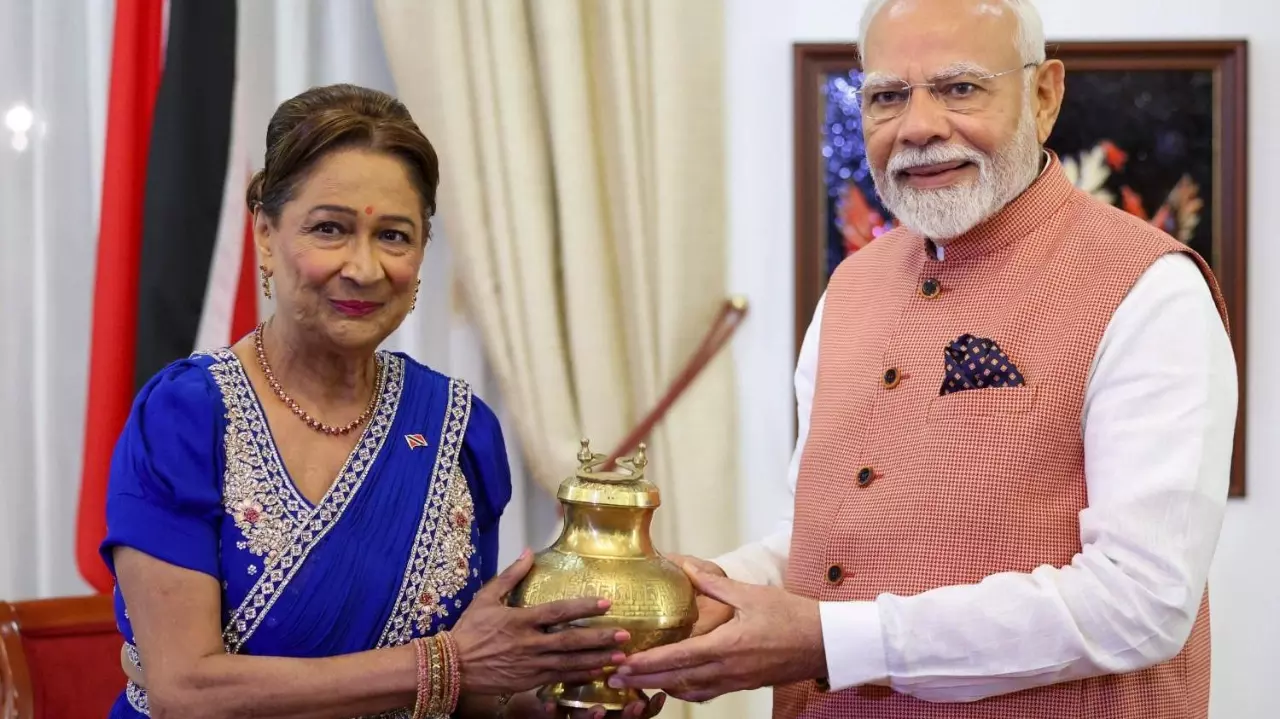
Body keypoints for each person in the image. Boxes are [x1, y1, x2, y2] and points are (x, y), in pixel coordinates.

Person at [612, 1, 1237, 717]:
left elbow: (1140, 600)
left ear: (1044, 94)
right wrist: (703, 593)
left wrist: (829, 641)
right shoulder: (849, 286)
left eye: (960, 88)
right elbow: (827, 541)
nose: (917, 127)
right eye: (886, 96)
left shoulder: (1150, 287)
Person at [101, 83, 665, 719]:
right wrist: (449, 662)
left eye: (394, 236)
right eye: (330, 229)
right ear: (265, 234)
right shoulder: (185, 418)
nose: (365, 269)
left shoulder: (458, 429)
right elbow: (187, 692)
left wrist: (556, 703)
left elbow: (472, 692)